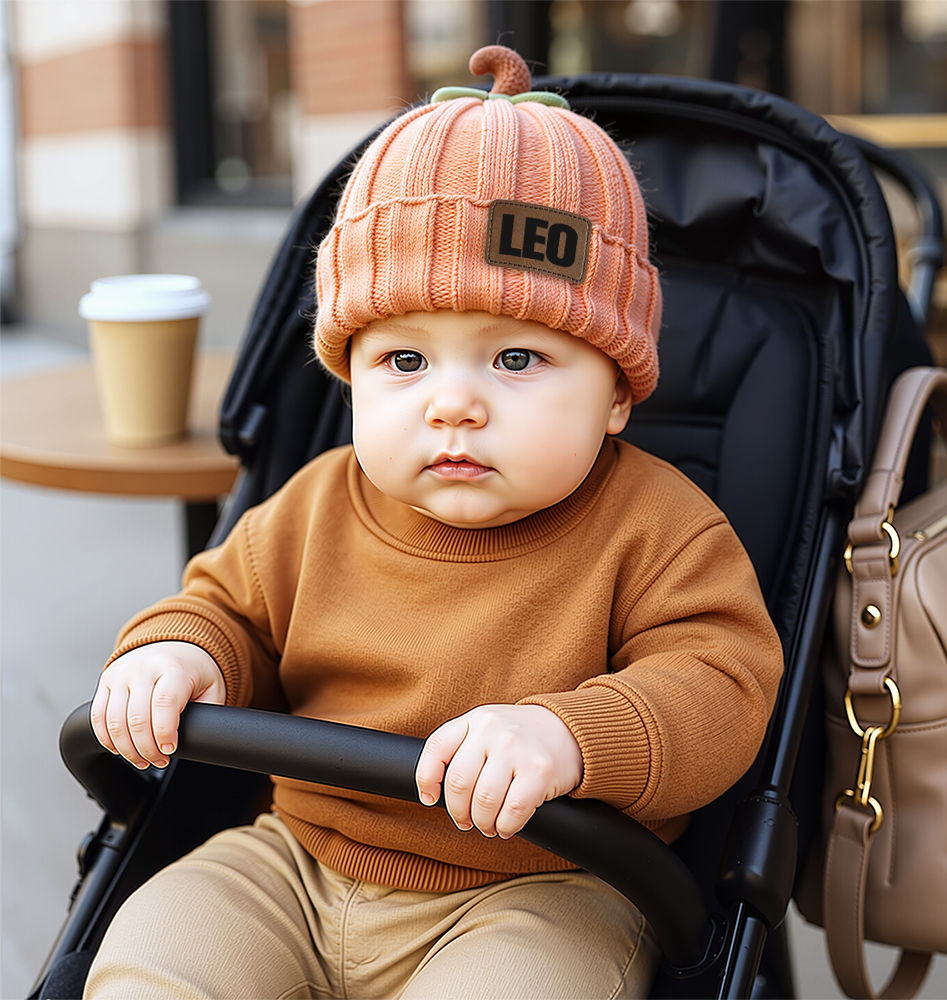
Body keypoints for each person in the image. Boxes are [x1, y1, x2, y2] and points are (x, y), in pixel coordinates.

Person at [84, 46, 783, 1000]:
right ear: (350, 377)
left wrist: (574, 737)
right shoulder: (314, 506)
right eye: (405, 362)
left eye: (517, 360)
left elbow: (721, 687)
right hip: (296, 858)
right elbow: (222, 609)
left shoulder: (660, 529)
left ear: (617, 392)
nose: (453, 404)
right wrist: (178, 655)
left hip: (540, 886)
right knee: (155, 951)